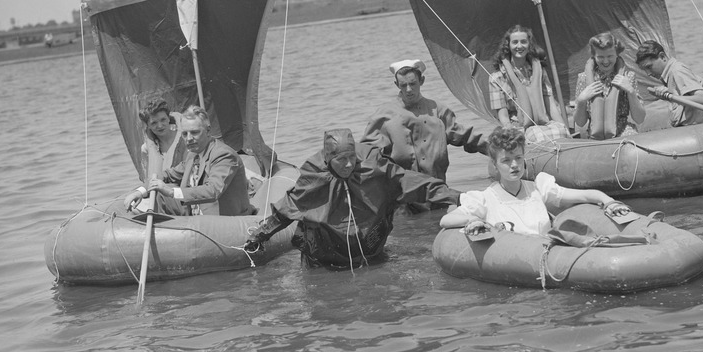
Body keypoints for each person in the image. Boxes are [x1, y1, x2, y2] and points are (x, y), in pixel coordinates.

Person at [243, 128, 461, 269]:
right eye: (341, 160)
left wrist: (457, 197)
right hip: (324, 259)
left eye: (351, 158)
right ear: (328, 160)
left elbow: (412, 182)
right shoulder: (314, 178)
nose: (348, 164)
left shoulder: (372, 168)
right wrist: (260, 236)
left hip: (371, 250)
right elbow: (287, 210)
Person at [440, 126, 631, 238]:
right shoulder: (484, 200)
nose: (514, 165)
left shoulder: (538, 188)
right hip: (516, 261)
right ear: (495, 165)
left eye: (518, 158)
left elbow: (583, 194)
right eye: (506, 161)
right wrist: (474, 219)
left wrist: (607, 201)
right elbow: (445, 220)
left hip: (549, 254)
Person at [361, 58, 488, 186]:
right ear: (396, 84)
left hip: (437, 188)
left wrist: (495, 150)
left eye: (413, 83)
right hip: (401, 191)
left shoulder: (438, 110)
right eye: (403, 85)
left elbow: (465, 136)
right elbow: (366, 154)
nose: (409, 89)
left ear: (422, 81)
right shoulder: (384, 114)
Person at [123, 105, 252, 217]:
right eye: (185, 134)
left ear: (208, 130)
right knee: (157, 194)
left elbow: (213, 190)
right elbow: (167, 175)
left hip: (223, 220)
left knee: (167, 191)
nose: (189, 139)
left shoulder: (223, 155)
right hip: (195, 214)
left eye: (194, 133)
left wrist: (171, 192)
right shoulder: (193, 155)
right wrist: (140, 191)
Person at [487, 25, 568, 142]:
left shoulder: (539, 71)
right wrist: (513, 137)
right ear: (508, 46)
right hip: (519, 128)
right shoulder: (496, 78)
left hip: (543, 124)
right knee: (537, 136)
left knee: (560, 131)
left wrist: (565, 129)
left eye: (523, 42)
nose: (519, 46)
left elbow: (551, 106)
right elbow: (503, 117)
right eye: (515, 42)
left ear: (529, 44)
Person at [573, 32, 647, 139]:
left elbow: (639, 119)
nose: (606, 61)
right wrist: (581, 100)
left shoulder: (628, 77)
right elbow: (580, 123)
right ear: (594, 56)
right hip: (595, 136)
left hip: (623, 132)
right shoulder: (583, 79)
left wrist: (631, 91)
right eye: (601, 57)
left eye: (610, 56)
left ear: (617, 54)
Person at [127, 98, 186, 211]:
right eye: (154, 123)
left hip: (180, 192)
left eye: (163, 119)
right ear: (148, 126)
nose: (160, 126)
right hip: (157, 189)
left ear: (169, 118)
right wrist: (140, 191)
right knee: (134, 208)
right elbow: (147, 176)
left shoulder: (185, 140)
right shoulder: (145, 149)